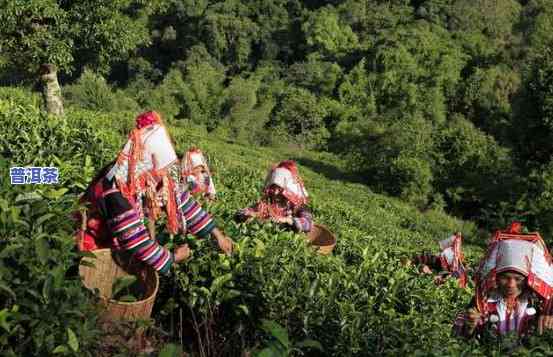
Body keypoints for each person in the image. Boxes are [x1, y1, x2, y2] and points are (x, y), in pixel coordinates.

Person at [75, 111, 233, 275]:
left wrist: (217, 235)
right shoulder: (116, 188)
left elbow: (181, 201)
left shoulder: (149, 176)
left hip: (119, 240)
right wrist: (173, 257)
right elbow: (134, 240)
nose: (161, 175)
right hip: (97, 245)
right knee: (104, 282)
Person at [453, 222, 553, 339]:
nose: (511, 285)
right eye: (505, 278)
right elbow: (458, 333)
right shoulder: (484, 300)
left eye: (518, 279)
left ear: (528, 280)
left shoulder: (537, 302)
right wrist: (469, 326)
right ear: (496, 278)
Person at [235, 160, 313, 233]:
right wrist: (247, 214)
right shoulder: (267, 202)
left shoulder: (299, 206)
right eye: (272, 188)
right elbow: (244, 211)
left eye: (280, 190)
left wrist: (288, 220)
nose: (275, 193)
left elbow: (308, 224)